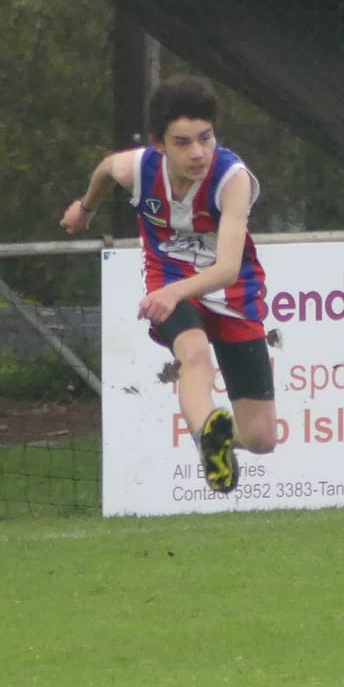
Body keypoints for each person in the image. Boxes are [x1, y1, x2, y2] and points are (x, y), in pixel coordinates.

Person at [60, 76, 277, 493]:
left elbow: (228, 270)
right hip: (170, 280)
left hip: (232, 294)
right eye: (183, 142)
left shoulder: (232, 179)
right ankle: (206, 439)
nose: (198, 153)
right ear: (158, 144)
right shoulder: (139, 169)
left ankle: (220, 437)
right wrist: (85, 209)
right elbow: (106, 168)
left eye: (205, 138)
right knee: (193, 355)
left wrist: (174, 292)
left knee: (261, 439)